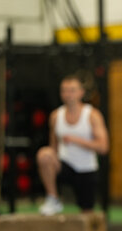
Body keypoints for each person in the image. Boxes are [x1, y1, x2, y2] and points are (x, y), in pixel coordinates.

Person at [36, 74, 109, 216]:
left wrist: (77, 140)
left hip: (86, 169)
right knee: (44, 155)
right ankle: (53, 199)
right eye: (64, 90)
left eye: (72, 90)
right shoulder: (56, 116)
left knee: (87, 213)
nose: (68, 94)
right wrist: (50, 164)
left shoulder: (92, 115)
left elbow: (103, 147)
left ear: (81, 92)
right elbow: (53, 147)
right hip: (65, 166)